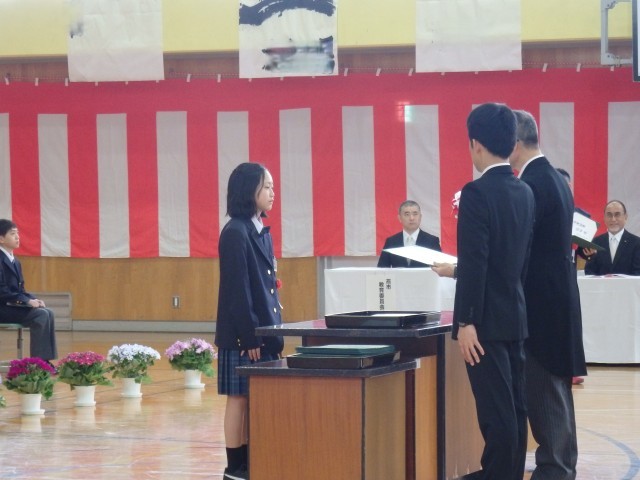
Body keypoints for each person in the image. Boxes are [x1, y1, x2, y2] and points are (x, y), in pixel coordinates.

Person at [434, 103, 535, 480]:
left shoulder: (476, 193)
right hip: (515, 316)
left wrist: (466, 321)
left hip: (485, 324)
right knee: (515, 408)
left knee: (496, 414)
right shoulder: (524, 191)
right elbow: (520, 262)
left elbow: (475, 263)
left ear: (475, 144)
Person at [510, 110, 586, 480]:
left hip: (541, 307)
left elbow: (520, 252)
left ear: (514, 143)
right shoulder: (553, 178)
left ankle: (555, 470)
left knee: (544, 395)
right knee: (555, 396)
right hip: (557, 300)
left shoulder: (532, 184)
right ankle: (561, 466)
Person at [214, 162, 284, 480]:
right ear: (248, 190)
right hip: (244, 335)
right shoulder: (235, 232)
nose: (272, 192)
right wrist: (249, 336)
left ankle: (251, 462)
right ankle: (235, 467)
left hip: (263, 332)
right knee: (238, 398)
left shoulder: (259, 230)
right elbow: (237, 290)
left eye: (272, 186)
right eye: (266, 186)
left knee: (255, 399)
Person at [0, 219, 58, 362]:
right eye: (12, 234)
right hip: (2, 308)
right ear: (1, 239)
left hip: (10, 305)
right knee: (40, 315)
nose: (17, 237)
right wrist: (26, 301)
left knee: (48, 312)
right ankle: (38, 362)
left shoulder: (15, 261)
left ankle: (46, 361)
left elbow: (21, 290)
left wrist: (33, 299)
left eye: (17, 233)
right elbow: (2, 291)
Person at [377, 200, 441, 268]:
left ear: (420, 217)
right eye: (407, 214)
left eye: (415, 214)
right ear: (399, 218)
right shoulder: (391, 242)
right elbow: (381, 269)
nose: (411, 218)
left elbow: (440, 268)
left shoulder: (432, 241)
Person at [584, 200, 640, 276]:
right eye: (609, 215)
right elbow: (589, 272)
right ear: (604, 217)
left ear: (625, 217)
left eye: (617, 214)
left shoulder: (636, 243)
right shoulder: (595, 242)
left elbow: (637, 273)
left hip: (628, 284)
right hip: (600, 284)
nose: (613, 219)